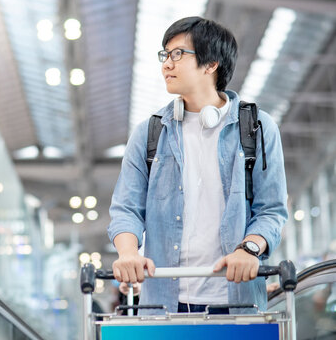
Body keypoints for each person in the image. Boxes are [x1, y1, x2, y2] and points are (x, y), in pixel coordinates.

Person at [108, 16, 287, 314]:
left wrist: (250, 248)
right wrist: (128, 254)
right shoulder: (150, 133)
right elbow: (126, 208)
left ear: (211, 63)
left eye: (178, 54)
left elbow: (271, 209)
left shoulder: (255, 127)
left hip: (238, 304)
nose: (166, 64)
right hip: (163, 304)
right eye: (164, 55)